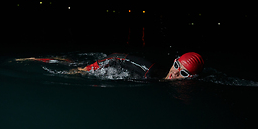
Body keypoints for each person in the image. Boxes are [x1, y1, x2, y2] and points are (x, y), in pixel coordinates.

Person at [15, 52, 204, 80]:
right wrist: (90, 68)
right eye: (177, 65)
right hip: (111, 62)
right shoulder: (151, 71)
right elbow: (118, 57)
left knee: (75, 63)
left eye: (184, 73)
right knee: (75, 71)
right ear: (174, 61)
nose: (175, 73)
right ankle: (34, 59)